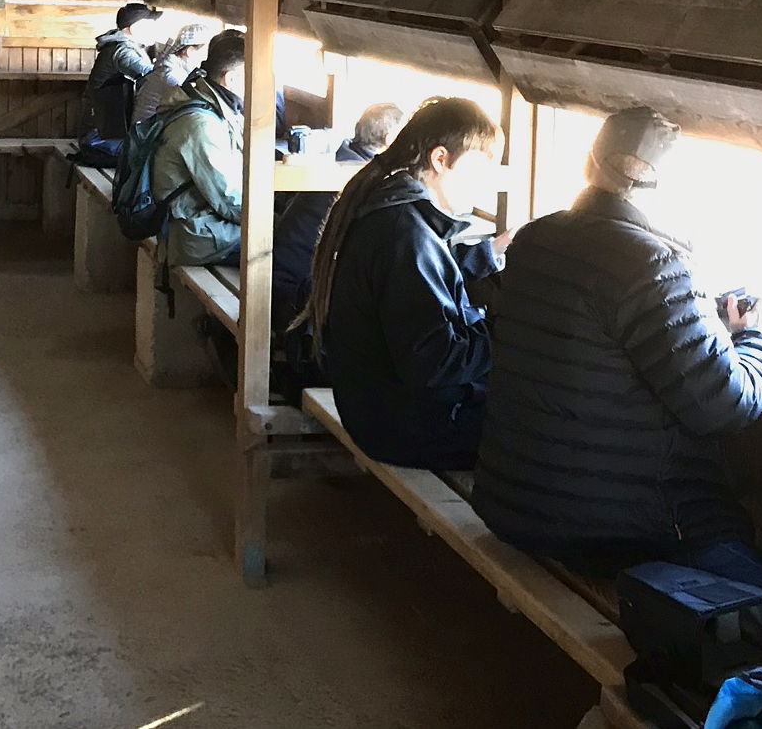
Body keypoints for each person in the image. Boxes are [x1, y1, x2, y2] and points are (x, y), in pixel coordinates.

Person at [471, 107, 762, 660]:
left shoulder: (537, 237)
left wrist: (704, 324)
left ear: (589, 163)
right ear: (666, 186)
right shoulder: (654, 264)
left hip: (515, 501)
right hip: (619, 533)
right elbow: (724, 406)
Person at [303, 98, 511, 470]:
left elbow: (418, 285)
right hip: (405, 427)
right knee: (545, 428)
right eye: (481, 168)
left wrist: (487, 254)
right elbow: (436, 364)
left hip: (378, 410)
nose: (485, 185)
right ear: (441, 159)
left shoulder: (393, 209)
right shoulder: (405, 233)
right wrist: (508, 331)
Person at [272, 102, 404, 333]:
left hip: (280, 278)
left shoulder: (342, 161)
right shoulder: (359, 181)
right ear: (389, 139)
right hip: (291, 293)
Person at [150, 30, 246, 267]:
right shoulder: (202, 124)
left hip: (199, 223)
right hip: (194, 235)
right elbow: (228, 199)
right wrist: (270, 219)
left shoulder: (209, 104)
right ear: (231, 79)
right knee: (283, 244)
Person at [78, 3, 164, 161]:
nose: (154, 29)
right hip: (99, 141)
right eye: (149, 24)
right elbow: (155, 77)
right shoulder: (122, 51)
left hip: (102, 133)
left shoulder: (121, 46)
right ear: (134, 28)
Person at [131, 23, 213, 126]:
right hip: (147, 132)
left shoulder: (171, 67)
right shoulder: (172, 76)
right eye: (204, 52)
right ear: (190, 51)